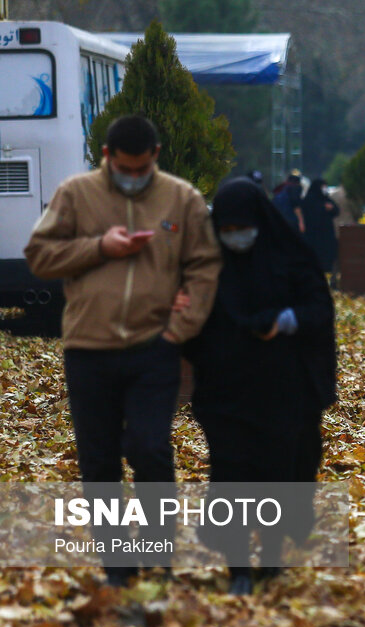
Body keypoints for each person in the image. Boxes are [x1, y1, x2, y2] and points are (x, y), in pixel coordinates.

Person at [23, 115, 222, 587]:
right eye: (123, 167)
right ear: (107, 157)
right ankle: (118, 565)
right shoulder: (76, 194)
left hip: (155, 346)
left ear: (155, 156)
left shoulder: (182, 198)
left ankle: (158, 554)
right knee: (99, 460)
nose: (133, 176)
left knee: (150, 448)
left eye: (142, 167)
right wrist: (98, 248)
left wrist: (180, 328)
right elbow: (39, 255)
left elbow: (204, 267)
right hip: (88, 349)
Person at [184, 178, 336, 595]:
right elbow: (193, 322)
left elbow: (319, 309)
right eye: (226, 230)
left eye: (242, 227)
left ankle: (270, 554)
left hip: (283, 392)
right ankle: (238, 569)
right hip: (224, 395)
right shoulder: (208, 265)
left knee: (277, 475)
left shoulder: (291, 257)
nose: (235, 238)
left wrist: (285, 320)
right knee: (232, 477)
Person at [301, 178, 340, 281]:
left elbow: (336, 210)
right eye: (323, 186)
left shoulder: (326, 198)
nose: (324, 189)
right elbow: (310, 213)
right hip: (313, 234)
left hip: (326, 234)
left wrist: (331, 208)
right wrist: (323, 208)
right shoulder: (309, 200)